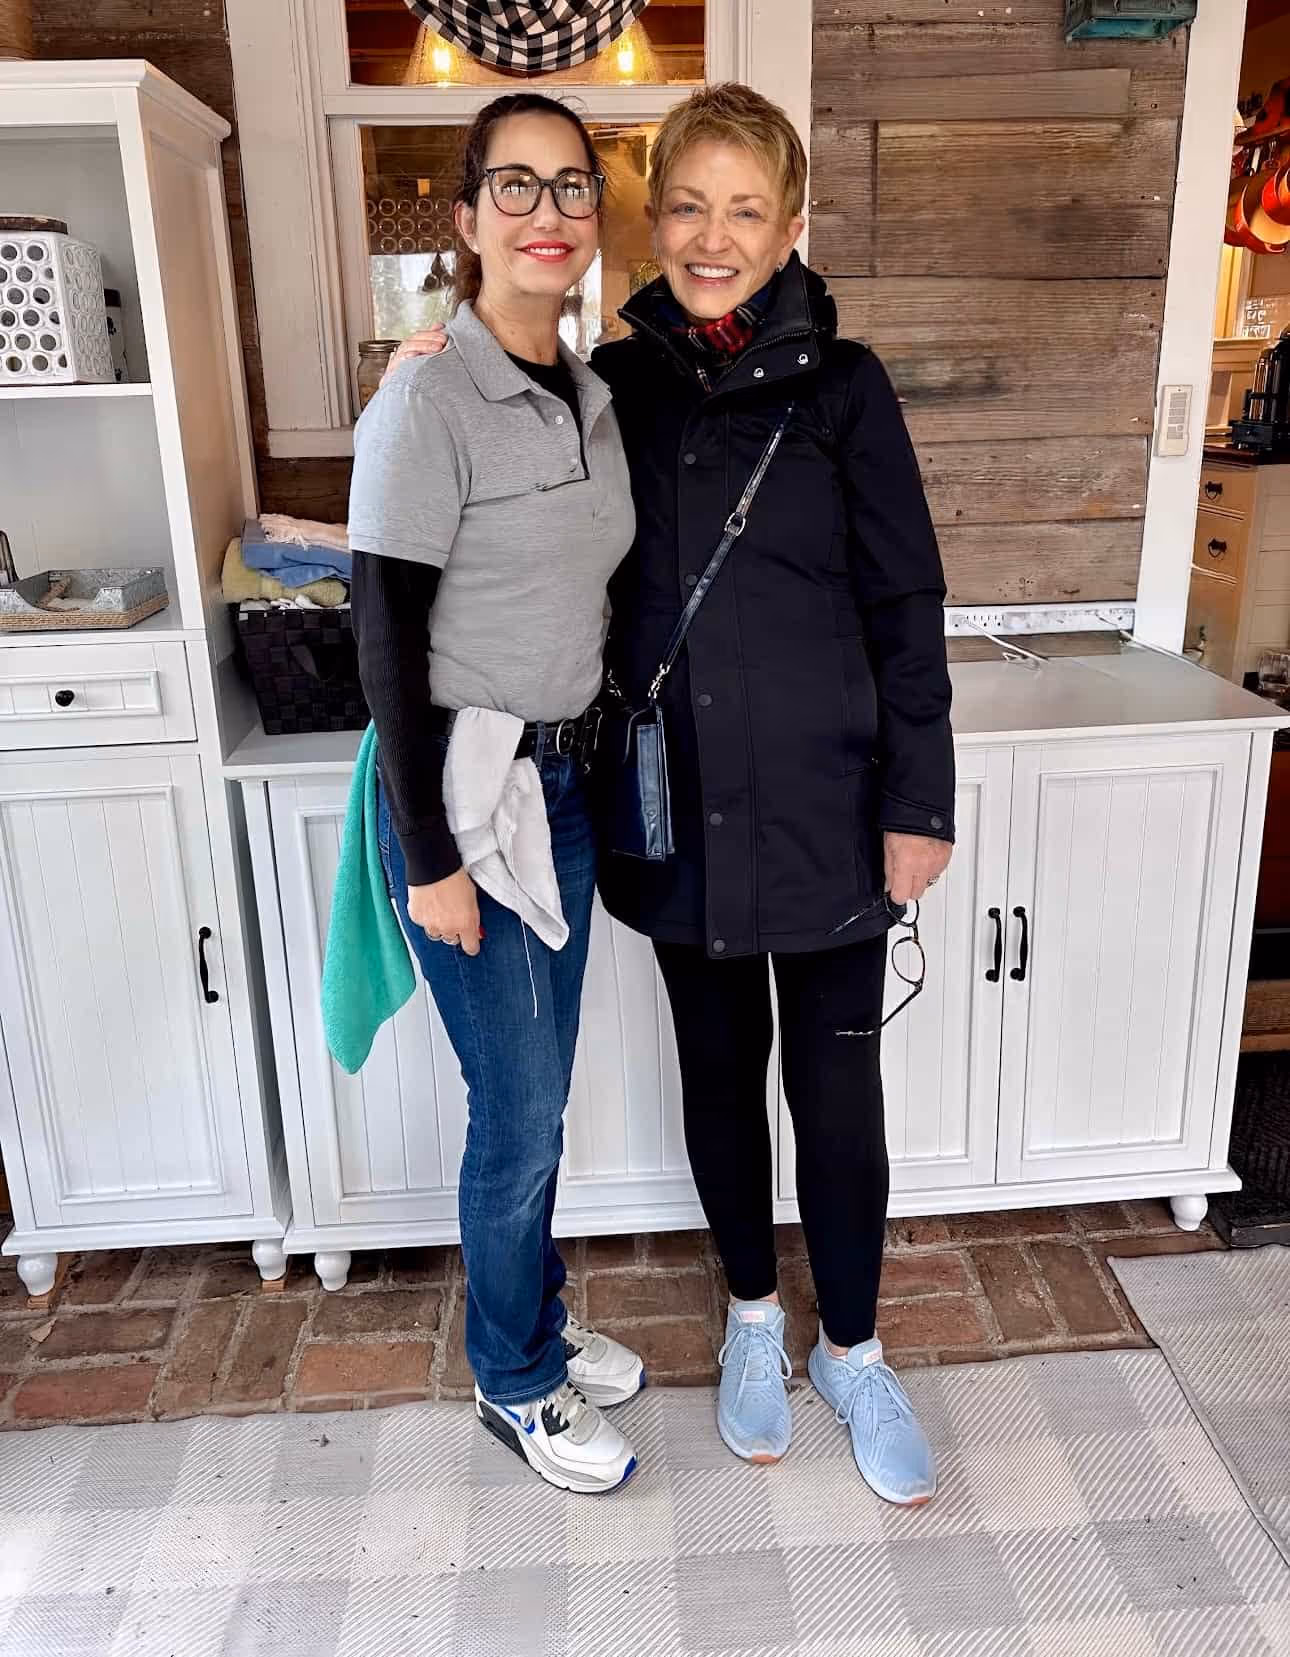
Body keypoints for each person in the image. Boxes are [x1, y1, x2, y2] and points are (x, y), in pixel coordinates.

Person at [387, 82, 955, 1507]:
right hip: (672, 807)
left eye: (744, 210)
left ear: (789, 227)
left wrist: (919, 799)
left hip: (830, 806)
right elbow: (525, 544)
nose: (712, 236)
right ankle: (756, 1322)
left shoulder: (846, 385)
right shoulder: (613, 384)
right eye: (686, 205)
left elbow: (905, 599)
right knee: (719, 1083)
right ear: (651, 223)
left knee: (837, 1097)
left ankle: (857, 1349)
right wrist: (425, 364)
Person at [347, 92, 644, 1496]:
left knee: (539, 1103)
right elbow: (380, 634)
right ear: (463, 221)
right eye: (512, 188)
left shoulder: (590, 389)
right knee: (515, 1113)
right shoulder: (427, 393)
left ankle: (532, 1318)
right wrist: (428, 856)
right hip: (470, 804)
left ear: (595, 219)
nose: (546, 213)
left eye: (571, 188)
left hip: (567, 793)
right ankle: (513, 1382)